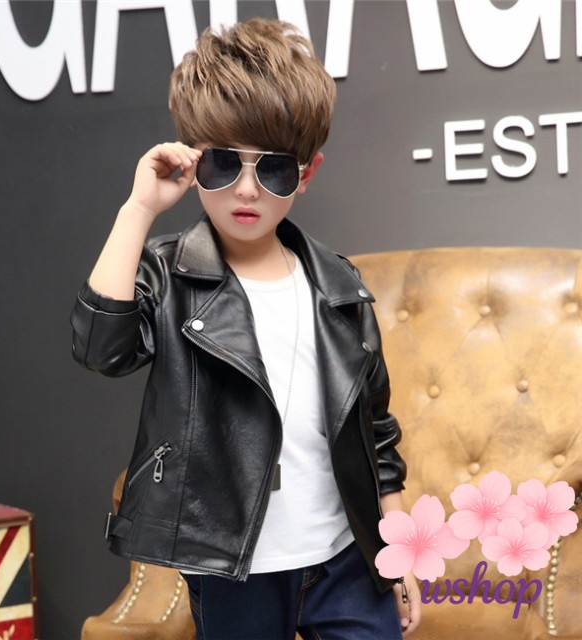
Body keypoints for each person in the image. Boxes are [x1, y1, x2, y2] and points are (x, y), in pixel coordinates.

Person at [71, 17, 421, 640]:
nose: (248, 189)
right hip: (234, 568)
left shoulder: (340, 286)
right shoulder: (168, 274)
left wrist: (398, 550)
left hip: (345, 559)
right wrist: (138, 209)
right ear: (192, 162)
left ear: (306, 174)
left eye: (275, 170)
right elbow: (101, 348)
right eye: (224, 163)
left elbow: (375, 431)